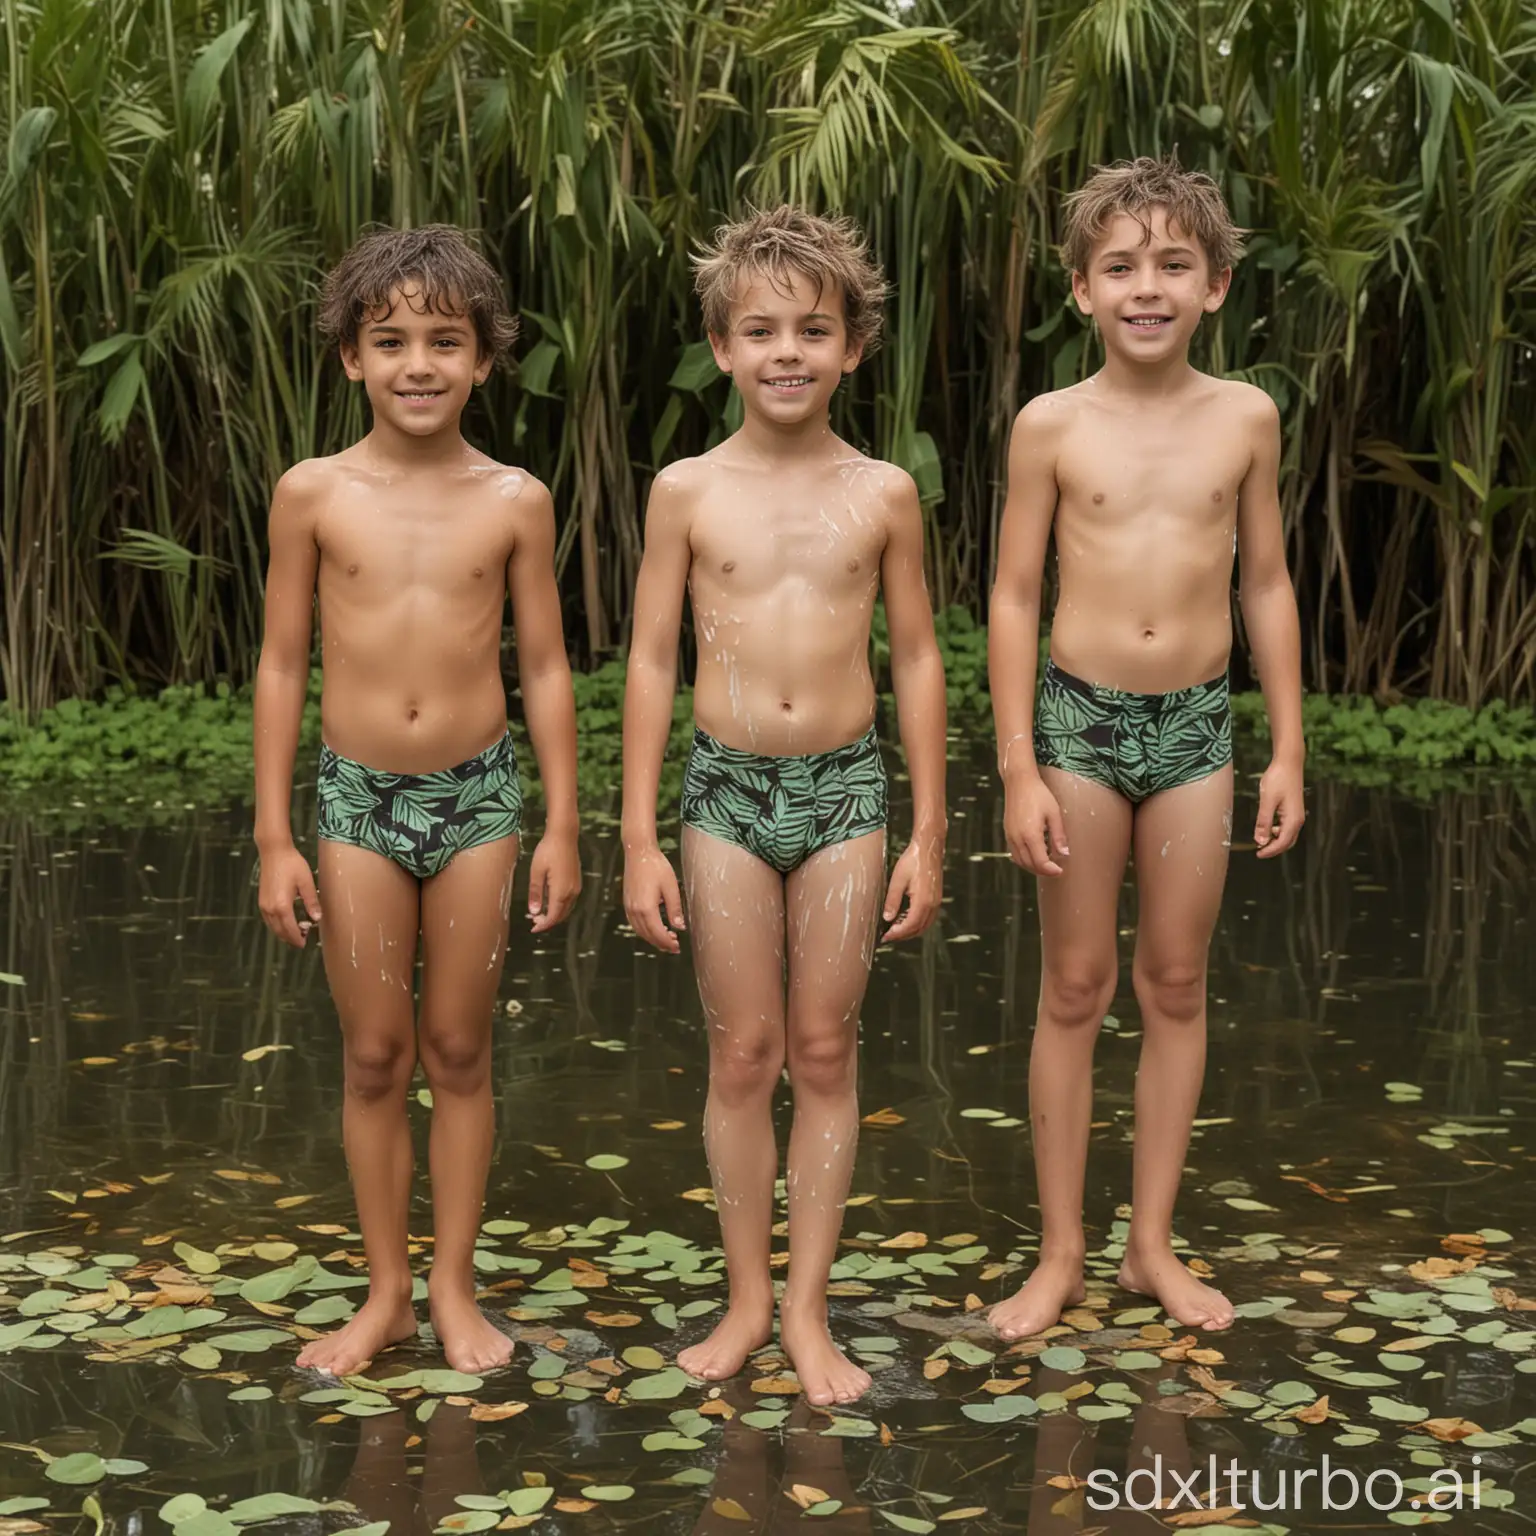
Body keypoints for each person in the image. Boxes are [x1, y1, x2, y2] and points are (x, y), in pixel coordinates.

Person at [622, 206, 947, 1406]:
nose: (788, 352)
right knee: (742, 1050)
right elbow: (653, 659)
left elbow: (916, 655)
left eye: (815, 329)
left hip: (847, 792)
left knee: (823, 1046)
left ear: (853, 346)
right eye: (760, 330)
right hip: (721, 793)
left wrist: (928, 826)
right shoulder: (686, 491)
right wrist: (639, 832)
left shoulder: (885, 493)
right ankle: (747, 1298)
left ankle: (809, 1312)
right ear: (721, 346)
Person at [253, 225, 581, 1376]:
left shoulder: (514, 500)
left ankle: (453, 1289)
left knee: (458, 1047)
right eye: (391, 341)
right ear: (351, 357)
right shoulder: (313, 494)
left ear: (485, 359)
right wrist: (273, 835)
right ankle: (385, 1291)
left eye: (447, 341)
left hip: (480, 798)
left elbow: (543, 667)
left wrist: (563, 825)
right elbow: (283, 663)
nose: (420, 364)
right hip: (353, 803)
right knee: (375, 1055)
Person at [987, 157, 1305, 1340]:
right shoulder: (1051, 425)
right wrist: (1018, 765)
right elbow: (1014, 595)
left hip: (1196, 729)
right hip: (1078, 720)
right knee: (1075, 985)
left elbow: (1265, 581)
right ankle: (1060, 1251)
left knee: (1175, 981)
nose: (1147, 286)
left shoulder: (1246, 419)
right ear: (1081, 289)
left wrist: (1287, 748)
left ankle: (1149, 1245)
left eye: (1174, 263)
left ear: (1216, 283)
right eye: (1120, 266)